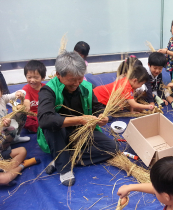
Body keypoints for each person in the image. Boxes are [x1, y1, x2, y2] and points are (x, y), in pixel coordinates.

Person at [37, 51, 117, 186]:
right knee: (53, 126)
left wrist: (103, 117)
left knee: (112, 147)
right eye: (71, 80)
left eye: (79, 78)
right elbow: (44, 119)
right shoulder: (48, 90)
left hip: (81, 131)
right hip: (59, 135)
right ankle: (64, 168)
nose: (76, 83)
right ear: (58, 75)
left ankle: (63, 159)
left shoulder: (85, 87)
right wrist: (79, 119)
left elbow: (98, 107)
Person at [0, 76, 30, 155]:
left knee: (21, 112)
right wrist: (6, 125)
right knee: (11, 129)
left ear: (1, 93)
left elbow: (17, 94)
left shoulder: (2, 99)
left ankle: (15, 138)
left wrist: (20, 93)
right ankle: (4, 147)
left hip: (6, 125)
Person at [22, 60, 46, 133]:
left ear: (43, 78)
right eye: (29, 77)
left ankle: (39, 127)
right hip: (31, 116)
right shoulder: (26, 89)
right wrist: (26, 107)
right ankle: (41, 127)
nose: (32, 80)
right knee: (24, 121)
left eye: (36, 77)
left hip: (43, 114)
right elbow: (26, 100)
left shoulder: (46, 88)